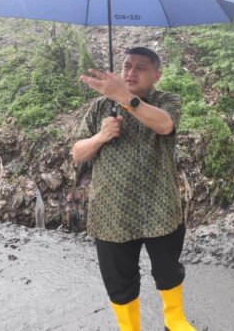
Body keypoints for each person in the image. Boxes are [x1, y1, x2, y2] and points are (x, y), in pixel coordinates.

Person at [71, 47, 194, 331]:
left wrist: (126, 99)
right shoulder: (100, 107)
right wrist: (101, 136)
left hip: (159, 205)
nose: (131, 72)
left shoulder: (167, 101)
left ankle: (174, 320)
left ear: (157, 74)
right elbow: (77, 153)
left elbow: (165, 125)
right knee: (119, 277)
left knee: (167, 269)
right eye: (127, 66)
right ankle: (129, 327)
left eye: (140, 67)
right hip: (111, 209)